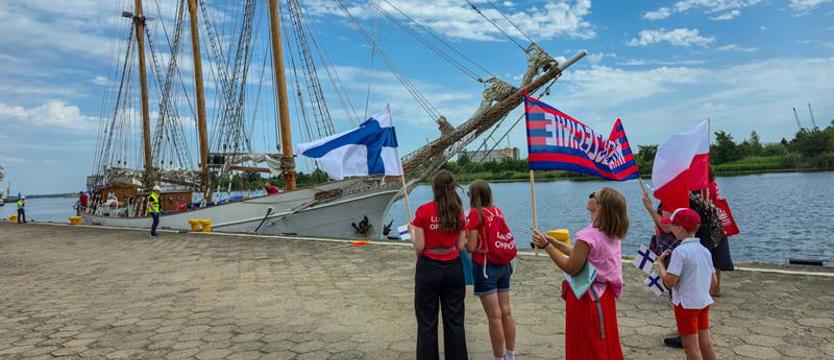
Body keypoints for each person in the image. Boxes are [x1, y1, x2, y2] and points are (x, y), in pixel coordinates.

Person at [532, 188, 628, 359]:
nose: (589, 196)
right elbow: (584, 255)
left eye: (593, 195)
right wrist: (557, 244)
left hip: (587, 299)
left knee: (585, 347)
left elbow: (571, 267)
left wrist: (547, 246)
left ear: (599, 206)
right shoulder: (611, 232)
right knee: (604, 344)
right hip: (605, 297)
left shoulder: (588, 235)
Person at [410, 170, 468, 360]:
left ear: (434, 188)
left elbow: (419, 246)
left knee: (427, 321)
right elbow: (461, 245)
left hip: (429, 268)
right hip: (453, 267)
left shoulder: (423, 211)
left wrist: (412, 232)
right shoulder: (458, 213)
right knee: (455, 320)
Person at [656, 208, 718, 360]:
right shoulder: (705, 251)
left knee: (691, 348)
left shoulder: (680, 251)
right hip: (703, 302)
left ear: (680, 228)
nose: (670, 228)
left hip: (685, 305)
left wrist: (660, 264)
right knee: (706, 343)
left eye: (672, 225)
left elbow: (670, 282)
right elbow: (714, 283)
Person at [465, 180, 517, 360]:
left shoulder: (475, 214)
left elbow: (471, 246)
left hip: (486, 268)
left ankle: (499, 357)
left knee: (494, 316)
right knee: (506, 311)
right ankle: (510, 355)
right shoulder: (497, 211)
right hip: (504, 265)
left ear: (474, 196)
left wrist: (462, 241)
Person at [701, 167, 733, 297]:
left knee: (707, 257)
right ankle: (716, 288)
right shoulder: (713, 184)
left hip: (707, 225)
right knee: (716, 258)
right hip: (717, 224)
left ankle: (708, 288)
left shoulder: (704, 187)